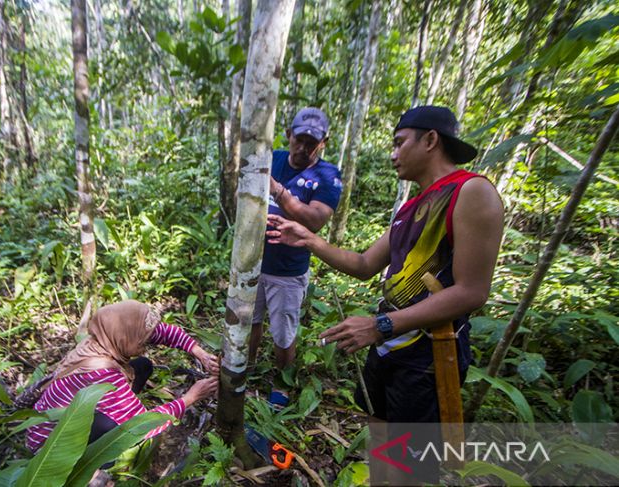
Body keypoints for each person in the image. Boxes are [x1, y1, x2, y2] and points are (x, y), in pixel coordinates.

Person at [267, 105, 503, 447]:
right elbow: (364, 265)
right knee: (382, 439)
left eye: (399, 143)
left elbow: (472, 292)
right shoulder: (411, 208)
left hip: (428, 354)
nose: (393, 154)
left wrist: (380, 325)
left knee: (408, 461)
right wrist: (309, 240)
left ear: (431, 140)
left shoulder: (471, 192)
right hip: (388, 345)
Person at [26, 300, 219, 453]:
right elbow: (144, 425)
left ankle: (121, 408)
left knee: (142, 366)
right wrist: (191, 397)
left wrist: (201, 354)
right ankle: (97, 466)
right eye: (142, 341)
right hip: (49, 445)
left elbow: (163, 332)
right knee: (117, 431)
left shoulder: (104, 339)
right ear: (124, 337)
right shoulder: (103, 373)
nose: (145, 345)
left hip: (62, 417)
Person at [248, 107, 342, 405]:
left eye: (311, 143)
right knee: (250, 319)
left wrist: (277, 190)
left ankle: (282, 382)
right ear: (288, 135)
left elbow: (315, 220)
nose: (302, 148)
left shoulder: (327, 176)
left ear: (323, 142)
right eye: (298, 139)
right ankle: (244, 367)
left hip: (287, 270)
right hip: (253, 261)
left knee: (283, 331)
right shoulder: (272, 158)